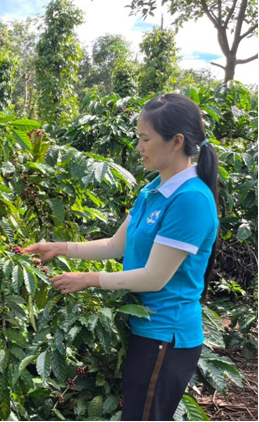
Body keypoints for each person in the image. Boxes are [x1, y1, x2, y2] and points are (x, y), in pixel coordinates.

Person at [25, 94, 219, 421]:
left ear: (177, 142)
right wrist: (60, 247)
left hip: (166, 336)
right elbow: (116, 245)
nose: (139, 147)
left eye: (145, 139)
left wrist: (87, 280)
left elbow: (154, 278)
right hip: (143, 328)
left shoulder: (190, 200)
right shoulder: (153, 190)